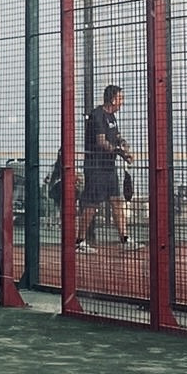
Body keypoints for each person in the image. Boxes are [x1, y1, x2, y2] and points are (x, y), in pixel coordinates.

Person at [75, 85, 133, 250]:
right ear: (113, 99)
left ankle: (124, 239)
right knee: (92, 204)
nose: (122, 102)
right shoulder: (97, 115)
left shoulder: (112, 117)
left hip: (109, 167)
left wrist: (123, 145)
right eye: (120, 98)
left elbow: (116, 136)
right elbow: (101, 142)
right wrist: (119, 152)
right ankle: (80, 242)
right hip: (96, 167)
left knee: (116, 201)